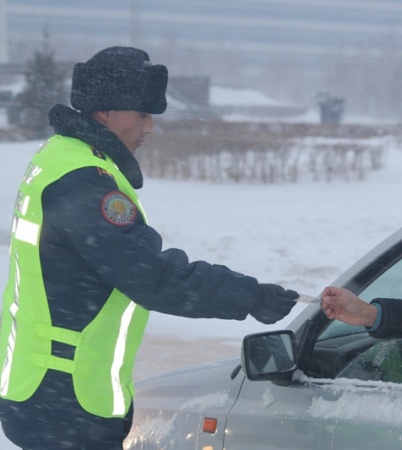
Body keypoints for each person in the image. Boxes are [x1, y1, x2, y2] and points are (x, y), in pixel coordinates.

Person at [0, 46, 298, 450]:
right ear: (106, 113)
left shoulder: (61, 158)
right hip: (65, 397)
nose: (150, 127)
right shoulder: (84, 180)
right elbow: (152, 276)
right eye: (142, 113)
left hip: (45, 390)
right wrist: (250, 296)